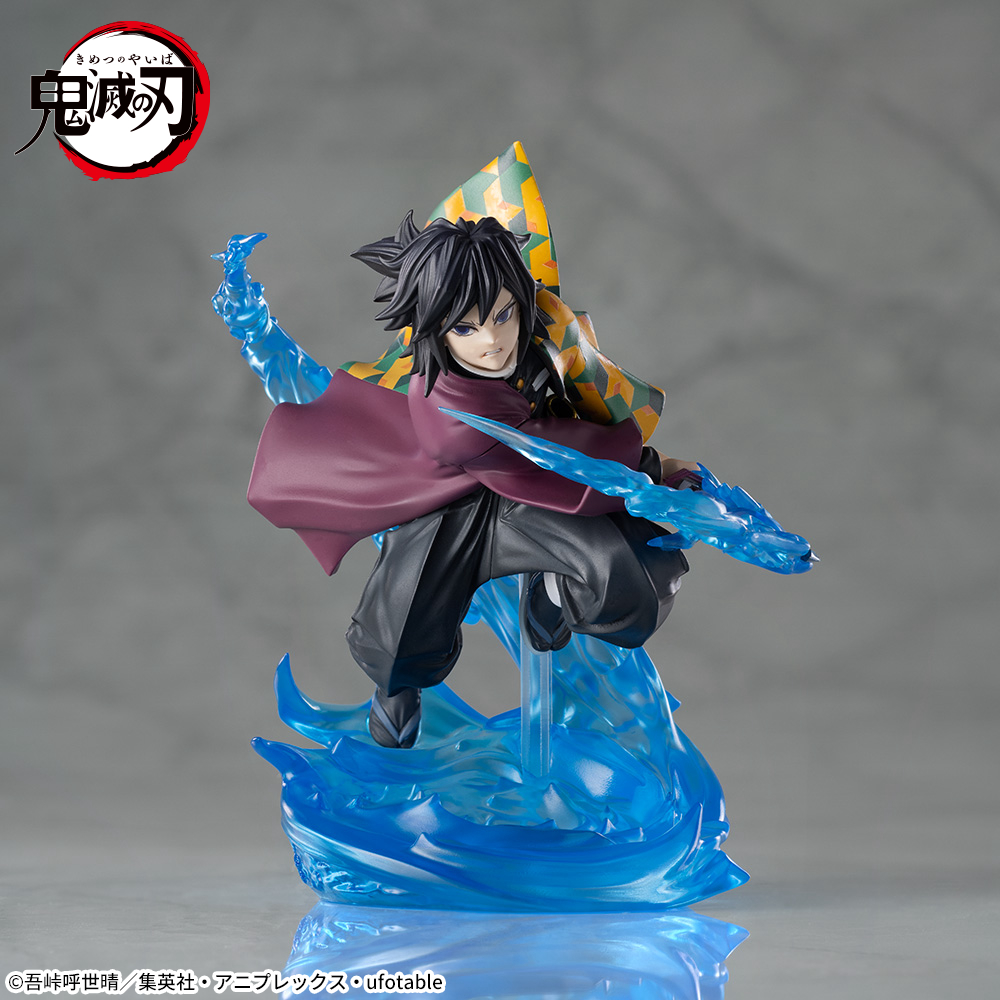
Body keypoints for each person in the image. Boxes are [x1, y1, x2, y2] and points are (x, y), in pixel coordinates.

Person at [213, 156, 699, 750]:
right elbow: (559, 455)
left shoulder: (542, 339)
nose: (492, 341)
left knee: (628, 575)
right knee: (403, 623)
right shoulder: (448, 411)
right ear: (436, 331)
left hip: (533, 490)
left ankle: (552, 596)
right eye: (466, 328)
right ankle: (395, 697)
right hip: (452, 505)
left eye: (503, 315)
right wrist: (651, 470)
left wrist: (649, 477)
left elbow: (575, 423)